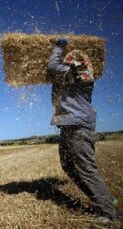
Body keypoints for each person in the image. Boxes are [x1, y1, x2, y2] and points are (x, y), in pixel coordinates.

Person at [47, 38, 117, 223]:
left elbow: (52, 66)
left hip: (79, 126)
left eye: (70, 60)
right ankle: (102, 198)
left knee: (86, 168)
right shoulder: (72, 74)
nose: (67, 62)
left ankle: (108, 214)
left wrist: (58, 47)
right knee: (68, 165)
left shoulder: (81, 71)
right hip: (69, 124)